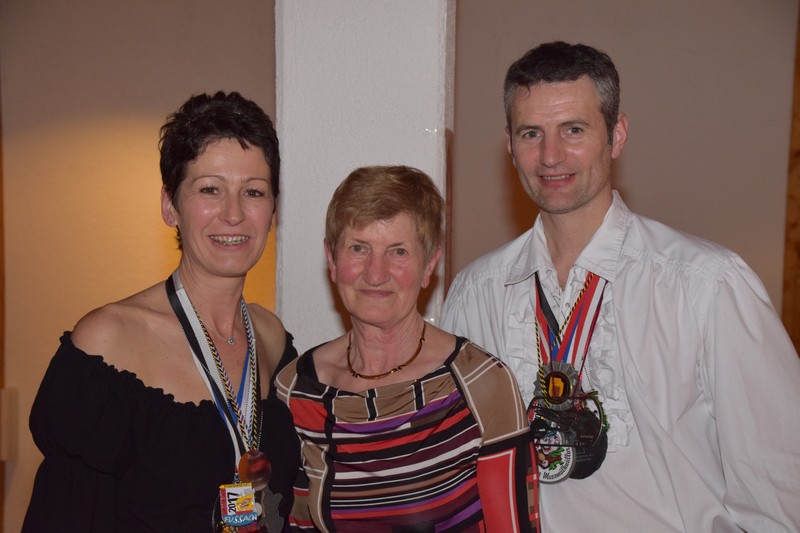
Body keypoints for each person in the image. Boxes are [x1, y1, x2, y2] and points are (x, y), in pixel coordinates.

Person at [441, 41, 800, 531]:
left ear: (617, 134)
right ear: (509, 144)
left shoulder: (707, 285)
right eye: (531, 133)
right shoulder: (475, 293)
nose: (550, 156)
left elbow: (780, 486)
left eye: (573, 130)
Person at [24, 91, 300, 532]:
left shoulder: (270, 337)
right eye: (210, 189)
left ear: (272, 213)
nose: (234, 213)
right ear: (170, 205)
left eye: (253, 191)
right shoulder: (107, 342)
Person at [274, 165, 539, 532]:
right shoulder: (296, 390)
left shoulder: (480, 385)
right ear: (332, 260)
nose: (375, 273)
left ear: (429, 265)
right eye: (358, 248)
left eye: (398, 251)